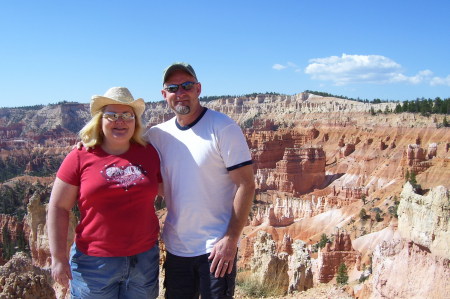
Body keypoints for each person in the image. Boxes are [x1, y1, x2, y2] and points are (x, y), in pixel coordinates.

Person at [145, 62, 255, 299]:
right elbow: (120, 146)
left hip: (215, 248)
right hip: (176, 248)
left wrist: (231, 239)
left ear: (198, 89)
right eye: (173, 87)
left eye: (187, 85)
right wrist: (89, 144)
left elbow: (246, 184)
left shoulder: (223, 127)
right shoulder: (157, 135)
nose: (180, 93)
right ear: (164, 95)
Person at [48, 87, 161, 299]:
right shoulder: (80, 156)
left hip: (143, 259)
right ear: (100, 120)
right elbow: (58, 207)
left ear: (135, 120)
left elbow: (170, 190)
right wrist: (58, 257)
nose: (121, 121)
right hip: (94, 264)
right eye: (112, 115)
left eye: (127, 115)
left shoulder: (149, 153)